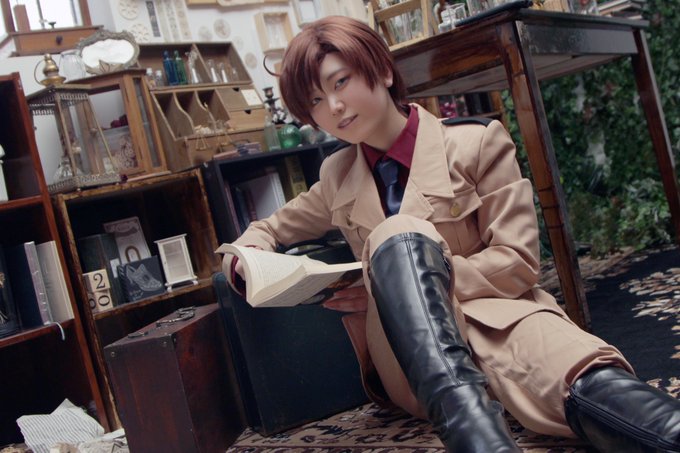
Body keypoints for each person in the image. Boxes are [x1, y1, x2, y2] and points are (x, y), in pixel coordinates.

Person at [224, 15, 680, 452]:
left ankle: (476, 438)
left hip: (501, 317)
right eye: (315, 101)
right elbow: (264, 229)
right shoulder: (336, 175)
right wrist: (248, 259)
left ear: (383, 71)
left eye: (340, 82)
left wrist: (415, 282)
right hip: (406, 357)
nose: (334, 107)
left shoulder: (476, 144)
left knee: (582, 374)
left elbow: (518, 263)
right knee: (398, 231)